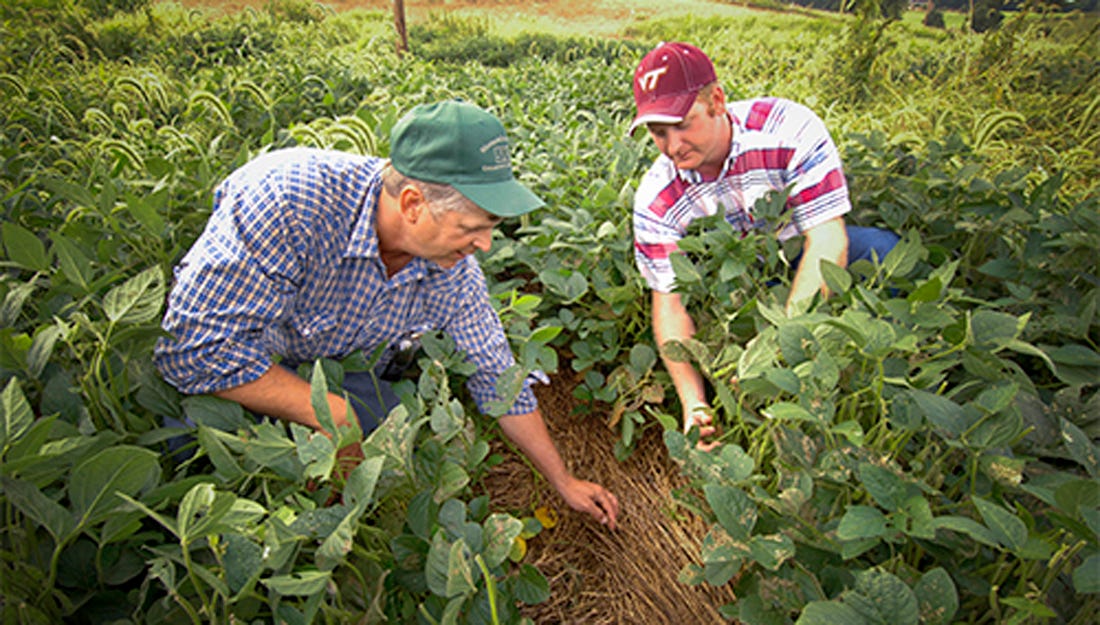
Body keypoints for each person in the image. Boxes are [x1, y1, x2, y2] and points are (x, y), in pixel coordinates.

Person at [154, 99, 619, 529]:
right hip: (250, 360)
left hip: (334, 365)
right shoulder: (288, 200)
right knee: (198, 448)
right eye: (472, 229)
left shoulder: (454, 270)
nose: (484, 246)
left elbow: (498, 380)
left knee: (393, 436)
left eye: (490, 229)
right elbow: (192, 350)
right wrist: (331, 415)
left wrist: (564, 480)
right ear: (413, 203)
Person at [629, 42, 899, 448]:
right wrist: (693, 404)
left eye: (683, 124)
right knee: (749, 315)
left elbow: (827, 239)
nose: (672, 146)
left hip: (802, 251)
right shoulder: (657, 197)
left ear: (717, 100)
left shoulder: (789, 130)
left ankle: (888, 358)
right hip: (737, 284)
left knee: (885, 253)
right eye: (658, 132)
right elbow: (669, 305)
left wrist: (781, 344)